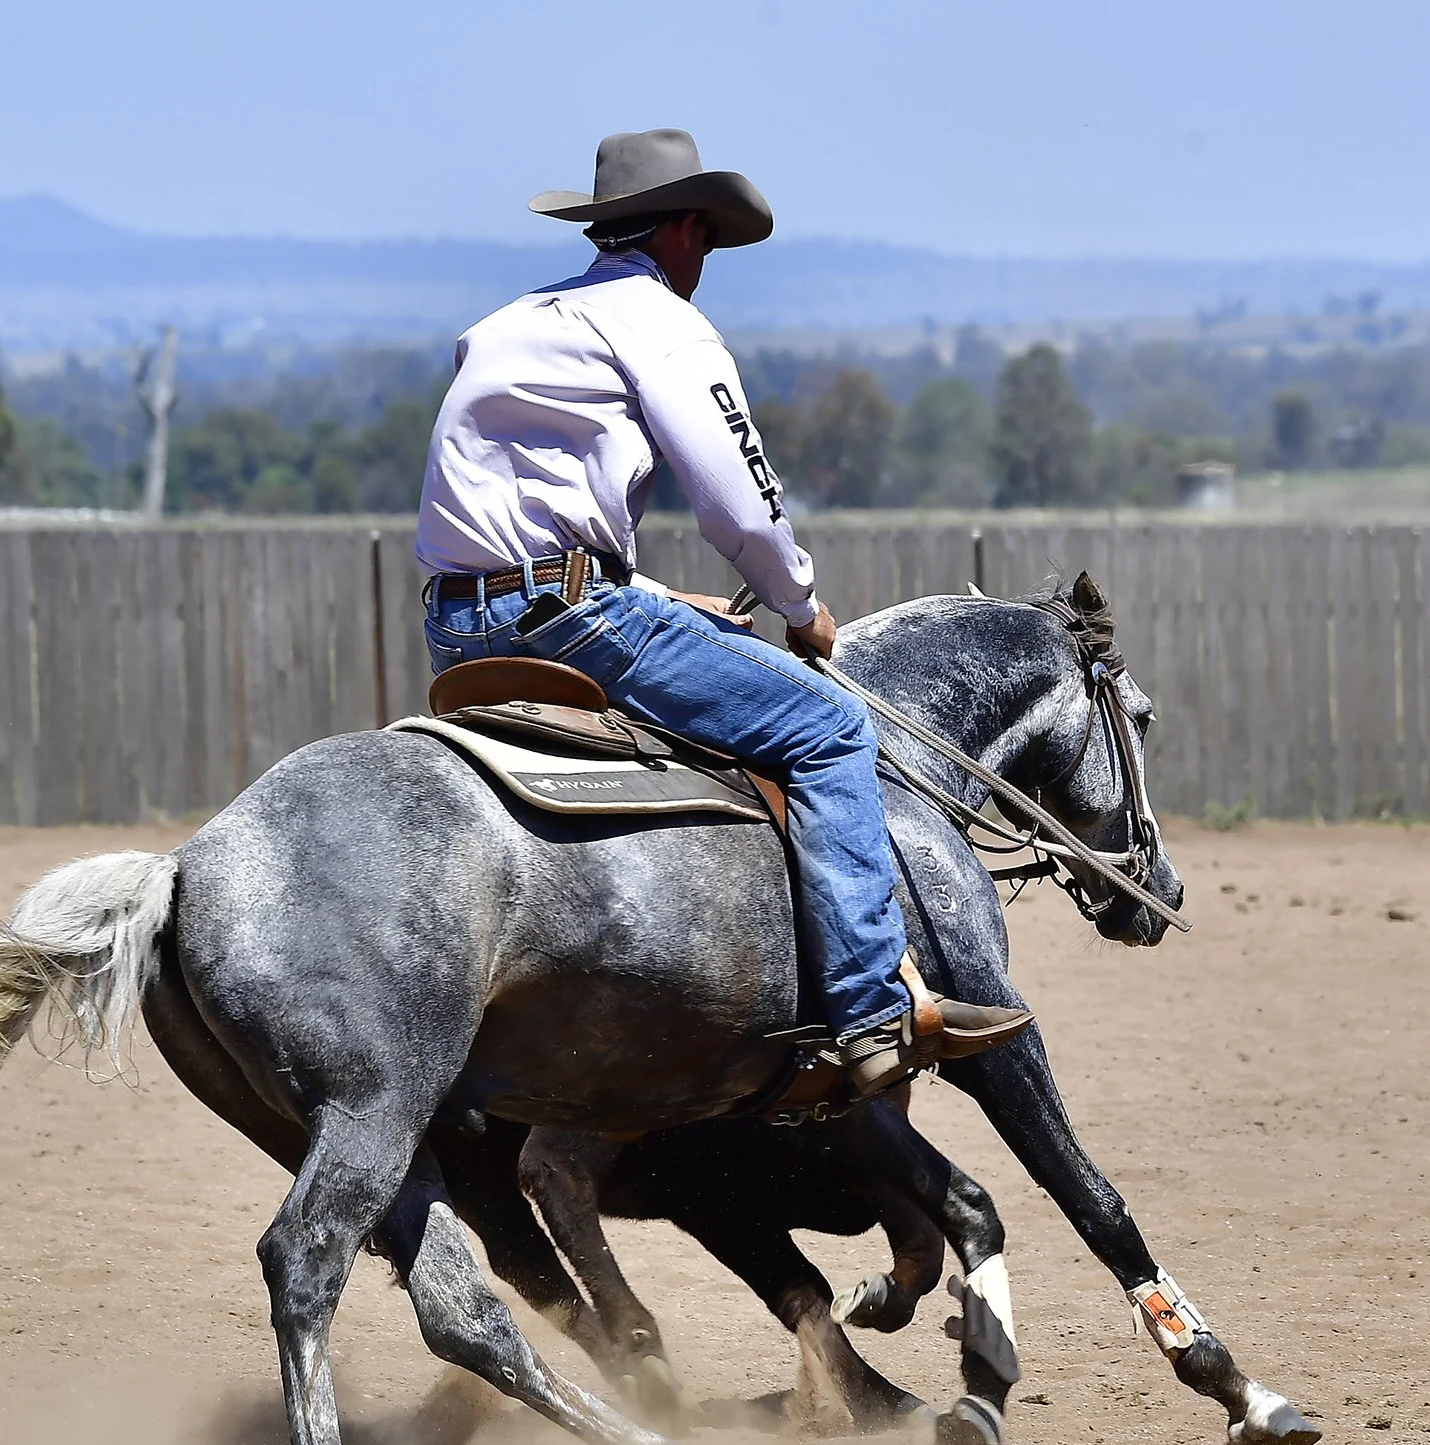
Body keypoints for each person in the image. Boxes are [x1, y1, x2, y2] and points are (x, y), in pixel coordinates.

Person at [415, 129, 1030, 1095]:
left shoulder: (506, 325)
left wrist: (659, 596)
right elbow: (739, 497)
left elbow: (512, 517)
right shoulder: (658, 321)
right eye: (707, 244)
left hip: (461, 623)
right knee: (831, 727)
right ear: (688, 229)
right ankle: (870, 1011)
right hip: (573, 619)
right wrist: (802, 603)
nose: (706, 266)